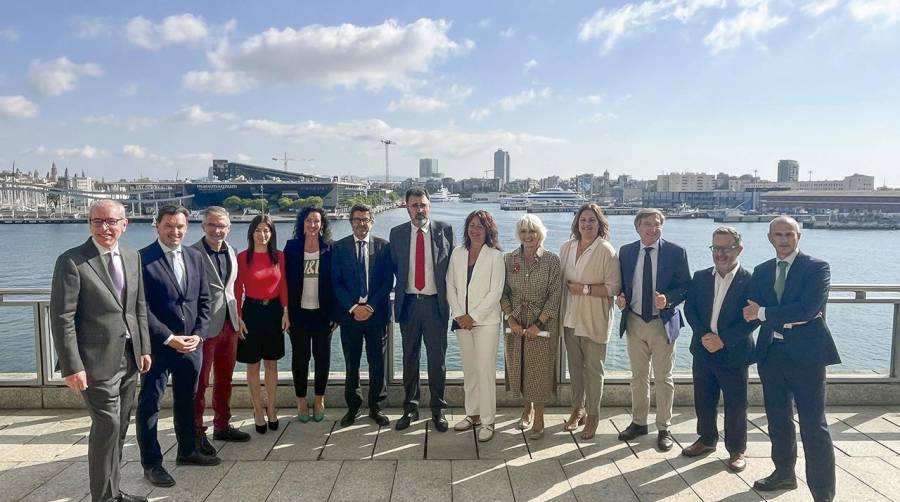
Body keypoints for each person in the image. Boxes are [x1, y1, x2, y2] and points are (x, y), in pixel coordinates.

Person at [50, 199, 152, 502]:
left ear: (124, 224)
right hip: (94, 362)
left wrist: (144, 347)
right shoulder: (72, 261)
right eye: (97, 222)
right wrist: (71, 365)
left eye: (110, 221)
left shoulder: (132, 256)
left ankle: (113, 491)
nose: (104, 228)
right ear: (89, 224)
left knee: (119, 429)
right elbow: (62, 317)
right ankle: (103, 498)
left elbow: (138, 307)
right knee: (107, 426)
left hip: (130, 357)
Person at [743, 216, 840, 501]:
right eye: (778, 234)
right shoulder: (761, 271)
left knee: (813, 424)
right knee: (777, 419)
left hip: (807, 357)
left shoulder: (816, 268)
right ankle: (784, 474)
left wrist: (766, 313)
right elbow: (751, 308)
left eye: (789, 234)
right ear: (769, 238)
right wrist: (785, 316)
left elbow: (808, 309)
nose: (784, 239)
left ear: (799, 236)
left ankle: (823, 493)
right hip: (772, 353)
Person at [137, 205, 217, 489]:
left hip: (191, 346)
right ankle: (152, 464)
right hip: (160, 347)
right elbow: (141, 308)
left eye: (180, 226)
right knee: (150, 405)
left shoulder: (195, 257)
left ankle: (187, 451)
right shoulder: (143, 259)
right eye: (169, 225)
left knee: (187, 400)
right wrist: (169, 338)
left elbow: (204, 301)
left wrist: (198, 335)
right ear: (157, 226)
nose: (175, 231)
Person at [615, 208, 690, 451]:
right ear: (637, 227)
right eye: (647, 224)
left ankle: (664, 427)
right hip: (635, 321)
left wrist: (668, 299)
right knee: (638, 377)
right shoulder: (626, 252)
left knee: (663, 377)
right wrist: (621, 297)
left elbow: (686, 287)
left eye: (657, 224)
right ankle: (639, 423)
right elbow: (623, 285)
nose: (652, 228)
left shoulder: (676, 252)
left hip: (662, 322)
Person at [682, 226, 756, 472]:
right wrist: (705, 335)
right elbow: (690, 308)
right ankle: (706, 439)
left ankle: (737, 450)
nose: (721, 254)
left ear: (739, 249)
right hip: (703, 348)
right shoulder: (701, 276)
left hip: (734, 351)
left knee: (736, 404)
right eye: (716, 248)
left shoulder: (751, 280)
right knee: (704, 399)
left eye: (727, 248)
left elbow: (754, 318)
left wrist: (723, 339)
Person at [389, 187, 455, 432]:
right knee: (410, 359)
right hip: (408, 303)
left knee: (437, 360)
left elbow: (452, 270)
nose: (419, 209)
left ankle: (438, 410)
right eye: (414, 205)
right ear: (407, 207)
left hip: (435, 305)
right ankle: (410, 408)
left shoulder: (444, 230)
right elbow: (394, 268)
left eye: (423, 205)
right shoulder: (397, 234)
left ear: (430, 206)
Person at [190, 206, 250, 457]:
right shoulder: (191, 253)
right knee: (200, 383)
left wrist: (239, 319)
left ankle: (222, 425)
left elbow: (233, 289)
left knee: (225, 379)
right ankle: (196, 433)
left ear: (229, 227)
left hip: (230, 323)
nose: (217, 230)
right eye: (212, 225)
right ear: (203, 226)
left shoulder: (233, 252)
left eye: (222, 225)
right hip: (204, 328)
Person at [558, 204, 621, 440]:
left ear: (599, 224)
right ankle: (578, 409)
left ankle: (593, 415)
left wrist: (583, 289)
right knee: (574, 369)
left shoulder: (606, 250)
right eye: (582, 220)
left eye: (591, 221)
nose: (586, 224)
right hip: (570, 318)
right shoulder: (566, 247)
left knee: (594, 371)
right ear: (576, 223)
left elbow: (614, 287)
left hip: (594, 319)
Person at [331, 204, 393, 427]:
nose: (361, 223)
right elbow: (335, 282)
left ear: (372, 222)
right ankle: (353, 407)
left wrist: (371, 307)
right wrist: (353, 307)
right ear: (351, 222)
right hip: (350, 317)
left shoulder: (384, 247)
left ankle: (376, 407)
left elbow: (387, 282)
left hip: (376, 316)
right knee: (352, 364)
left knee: (378, 364)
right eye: (357, 219)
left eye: (365, 219)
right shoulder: (339, 248)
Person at [500, 214, 562, 440]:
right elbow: (503, 291)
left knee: (540, 370)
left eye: (532, 231)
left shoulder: (552, 260)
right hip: (515, 322)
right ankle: (527, 409)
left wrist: (539, 322)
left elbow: (556, 295)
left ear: (540, 233)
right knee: (521, 366)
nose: (528, 236)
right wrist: (510, 318)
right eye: (524, 231)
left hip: (541, 324)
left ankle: (539, 418)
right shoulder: (509, 259)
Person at [447, 210, 505, 442]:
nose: (475, 229)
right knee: (470, 370)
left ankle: (489, 421)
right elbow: (450, 285)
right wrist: (461, 315)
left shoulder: (495, 256)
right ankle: (473, 414)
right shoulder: (458, 253)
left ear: (488, 229)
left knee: (485, 371)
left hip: (486, 322)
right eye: (471, 225)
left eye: (480, 226)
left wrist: (474, 316)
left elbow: (496, 291)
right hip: (462, 321)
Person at [234, 214, 290, 434]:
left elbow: (284, 284)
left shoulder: (279, 257)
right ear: (251, 233)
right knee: (253, 365)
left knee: (272, 364)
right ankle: (257, 410)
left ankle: (272, 408)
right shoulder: (242, 258)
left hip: (275, 311)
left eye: (266, 230)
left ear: (272, 234)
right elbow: (237, 290)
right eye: (258, 230)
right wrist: (238, 317)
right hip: (251, 312)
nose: (262, 234)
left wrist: (286, 311)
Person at [284, 206, 335, 422]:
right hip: (298, 313)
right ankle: (302, 400)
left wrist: (335, 314)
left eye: (316, 221)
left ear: (322, 224)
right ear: (302, 224)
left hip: (323, 314)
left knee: (322, 358)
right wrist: (285, 312)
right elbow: (283, 282)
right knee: (300, 358)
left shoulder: (330, 248)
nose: (312, 225)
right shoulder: (292, 247)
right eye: (308, 221)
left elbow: (335, 282)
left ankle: (320, 399)